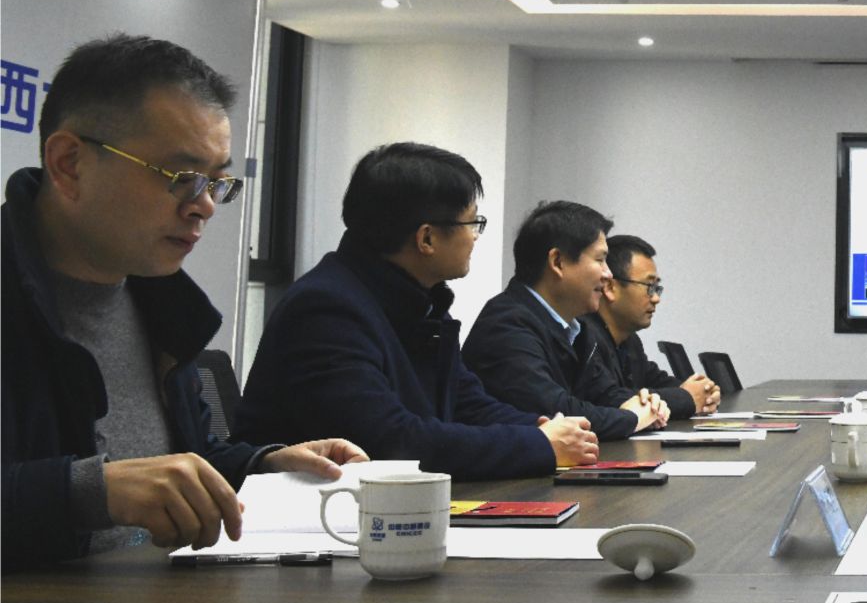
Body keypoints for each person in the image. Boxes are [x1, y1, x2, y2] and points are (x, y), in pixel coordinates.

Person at [2, 35, 365, 571]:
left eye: (216, 183)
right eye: (182, 178)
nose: (205, 207)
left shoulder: (162, 302)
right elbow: (109, 487)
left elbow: (179, 462)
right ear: (70, 164)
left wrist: (265, 466)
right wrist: (91, 491)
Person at [235, 143, 600, 481]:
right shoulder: (325, 309)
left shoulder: (420, 304)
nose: (475, 237)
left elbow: (468, 404)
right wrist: (538, 444)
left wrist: (543, 429)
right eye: (472, 223)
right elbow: (389, 441)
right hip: (316, 518)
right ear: (427, 239)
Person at [462, 201, 666, 440]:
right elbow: (556, 411)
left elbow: (604, 395)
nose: (608, 274)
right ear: (558, 262)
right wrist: (632, 418)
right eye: (600, 260)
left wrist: (647, 404)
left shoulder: (577, 329)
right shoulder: (506, 325)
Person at [578, 234, 720, 421]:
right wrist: (687, 397)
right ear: (610, 287)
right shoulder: (584, 336)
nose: (656, 298)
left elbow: (656, 380)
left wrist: (703, 392)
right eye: (649, 286)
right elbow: (609, 399)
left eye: (657, 288)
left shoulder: (629, 340)